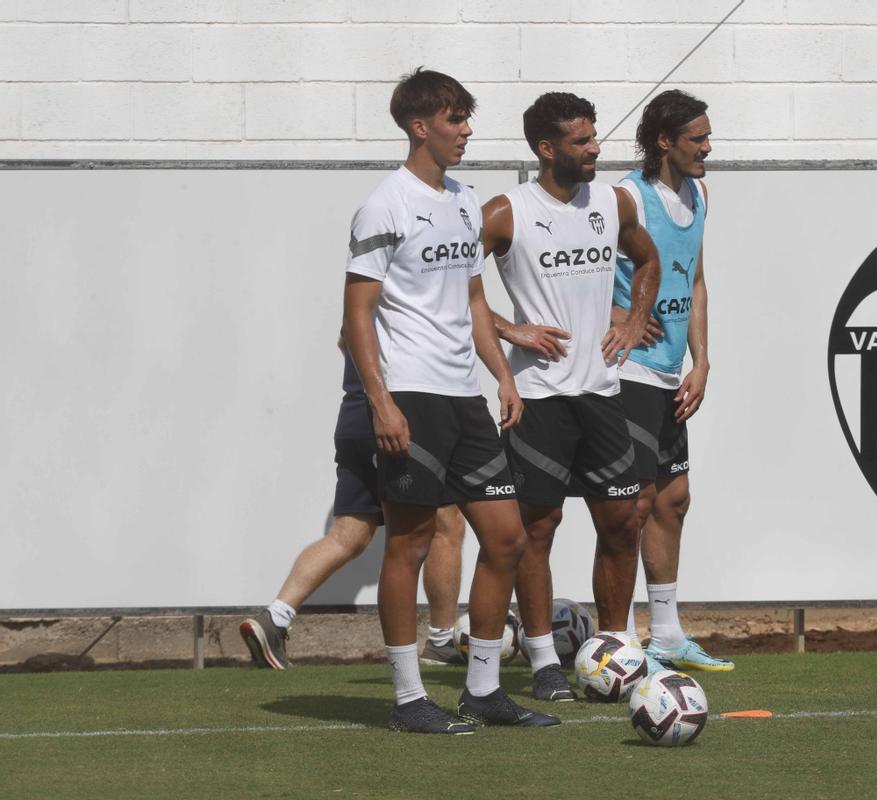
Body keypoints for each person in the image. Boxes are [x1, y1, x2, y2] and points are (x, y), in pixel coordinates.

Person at [342, 68, 557, 734]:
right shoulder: (386, 203)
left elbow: (472, 301)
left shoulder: (466, 200)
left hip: (465, 397)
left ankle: (484, 688)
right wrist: (380, 402)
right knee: (406, 546)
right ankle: (409, 698)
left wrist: (503, 376)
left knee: (507, 538)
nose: (466, 130)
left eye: (467, 117)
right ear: (419, 126)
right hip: (410, 392)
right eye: (455, 119)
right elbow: (356, 313)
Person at [482, 92, 662, 702]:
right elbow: (452, 282)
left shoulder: (612, 202)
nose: (595, 149)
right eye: (582, 141)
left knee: (622, 521)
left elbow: (647, 260)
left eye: (594, 138)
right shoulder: (508, 211)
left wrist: (635, 321)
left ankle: (618, 647)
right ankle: (541, 660)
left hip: (601, 393)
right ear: (546, 148)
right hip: (538, 397)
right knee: (538, 527)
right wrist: (510, 330)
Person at [238, 341, 468, 671]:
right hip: (397, 416)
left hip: (355, 417)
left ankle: (276, 617)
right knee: (445, 523)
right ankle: (442, 640)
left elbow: (346, 339)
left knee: (349, 534)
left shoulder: (362, 298)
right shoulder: (404, 296)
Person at [612, 90, 733, 671]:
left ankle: (666, 635)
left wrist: (701, 362)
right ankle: (620, 641)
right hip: (626, 370)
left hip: (670, 374)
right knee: (632, 504)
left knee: (674, 500)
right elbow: (579, 272)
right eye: (697, 138)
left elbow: (698, 280)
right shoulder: (626, 197)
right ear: (664, 141)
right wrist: (618, 319)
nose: (708, 147)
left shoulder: (701, 193)